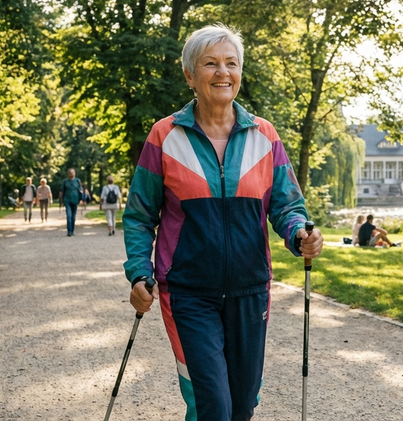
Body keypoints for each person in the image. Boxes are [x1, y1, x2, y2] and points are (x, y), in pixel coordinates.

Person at [123, 24, 323, 421]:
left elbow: (286, 205)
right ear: (189, 75)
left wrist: (299, 233)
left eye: (231, 63)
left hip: (250, 290)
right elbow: (140, 216)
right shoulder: (165, 137)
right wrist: (138, 273)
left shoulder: (264, 136)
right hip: (188, 293)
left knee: (243, 405)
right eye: (210, 63)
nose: (222, 72)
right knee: (212, 404)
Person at [59, 168, 82, 236]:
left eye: (72, 173)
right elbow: (61, 190)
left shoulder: (77, 181)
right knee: (69, 215)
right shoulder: (65, 181)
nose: (71, 174)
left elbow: (80, 189)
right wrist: (60, 198)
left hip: (75, 200)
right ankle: (69, 231)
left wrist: (82, 198)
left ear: (74, 173)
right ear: (68, 174)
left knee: (73, 216)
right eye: (70, 173)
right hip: (67, 200)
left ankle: (72, 230)